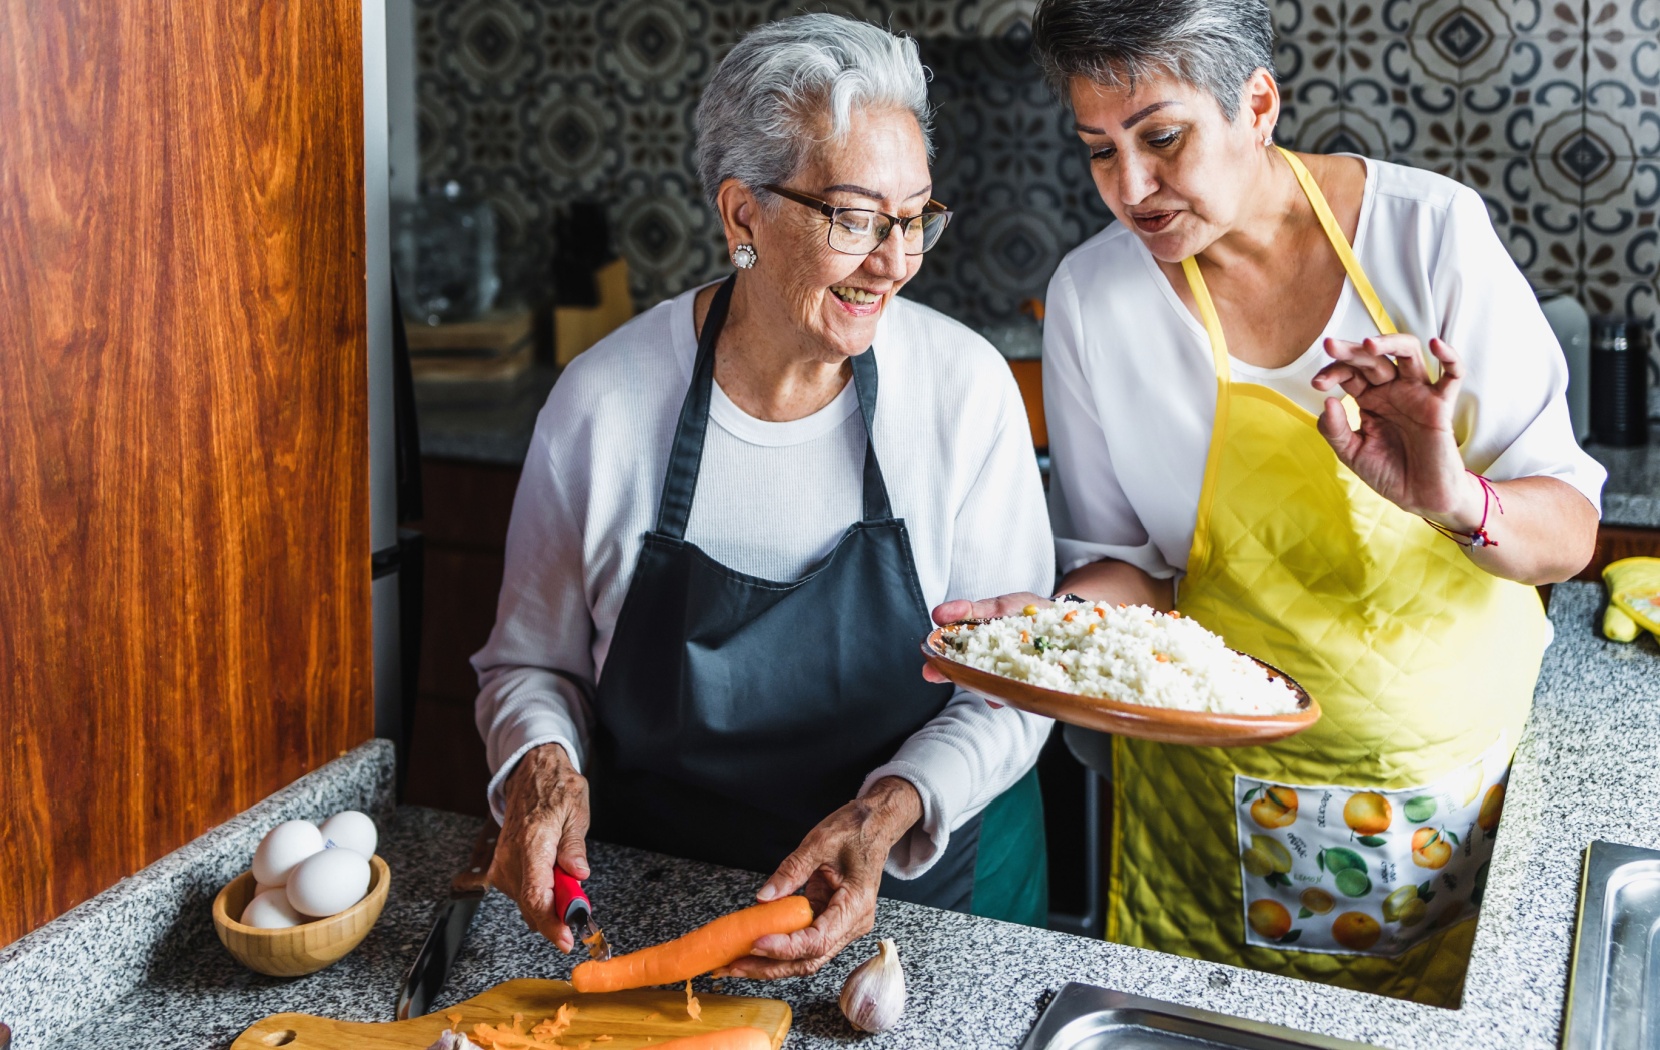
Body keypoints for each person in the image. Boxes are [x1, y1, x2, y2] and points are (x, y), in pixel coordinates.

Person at [929, 0, 1605, 1006]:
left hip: (1445, 791)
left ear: (1257, 103)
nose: (1129, 189)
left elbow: (1569, 533)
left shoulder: (1428, 237)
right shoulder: (1092, 298)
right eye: (1097, 150)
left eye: (1161, 139)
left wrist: (1453, 496)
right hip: (1206, 806)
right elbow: (1133, 573)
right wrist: (1060, 629)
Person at [473, 13, 1056, 979]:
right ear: (743, 216)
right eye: (856, 219)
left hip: (926, 917)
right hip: (663, 920)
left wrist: (890, 808)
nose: (896, 261)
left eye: (915, 218)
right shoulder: (604, 405)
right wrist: (540, 761)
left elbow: (1015, 687)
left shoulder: (966, 388)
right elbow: (530, 667)